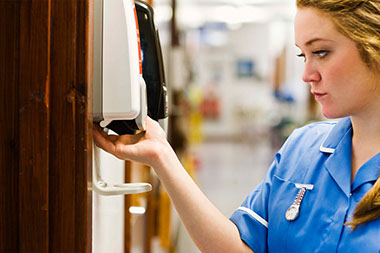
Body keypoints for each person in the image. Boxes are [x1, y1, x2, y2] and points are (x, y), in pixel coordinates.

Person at [93, 0, 380, 252]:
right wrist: (162, 157)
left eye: (321, 52)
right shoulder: (302, 149)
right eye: (301, 55)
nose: (306, 75)